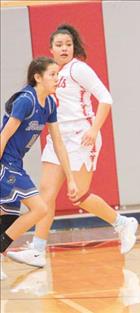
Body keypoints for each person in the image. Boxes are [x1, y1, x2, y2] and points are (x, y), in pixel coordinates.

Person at [7, 24, 138, 268]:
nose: (64, 48)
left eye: (68, 44)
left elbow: (106, 98)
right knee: (45, 194)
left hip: (81, 136)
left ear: (73, 47)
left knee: (79, 196)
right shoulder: (51, 73)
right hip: (58, 138)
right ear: (51, 49)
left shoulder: (80, 69)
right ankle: (37, 250)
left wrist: (94, 128)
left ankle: (122, 223)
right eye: (59, 45)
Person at [1, 57, 78, 280]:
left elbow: (59, 143)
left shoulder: (50, 104)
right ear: (38, 77)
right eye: (52, 75)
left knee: (8, 215)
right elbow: (4, 135)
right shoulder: (26, 100)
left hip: (16, 163)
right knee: (40, 209)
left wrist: (71, 179)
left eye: (58, 74)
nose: (57, 78)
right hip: (6, 162)